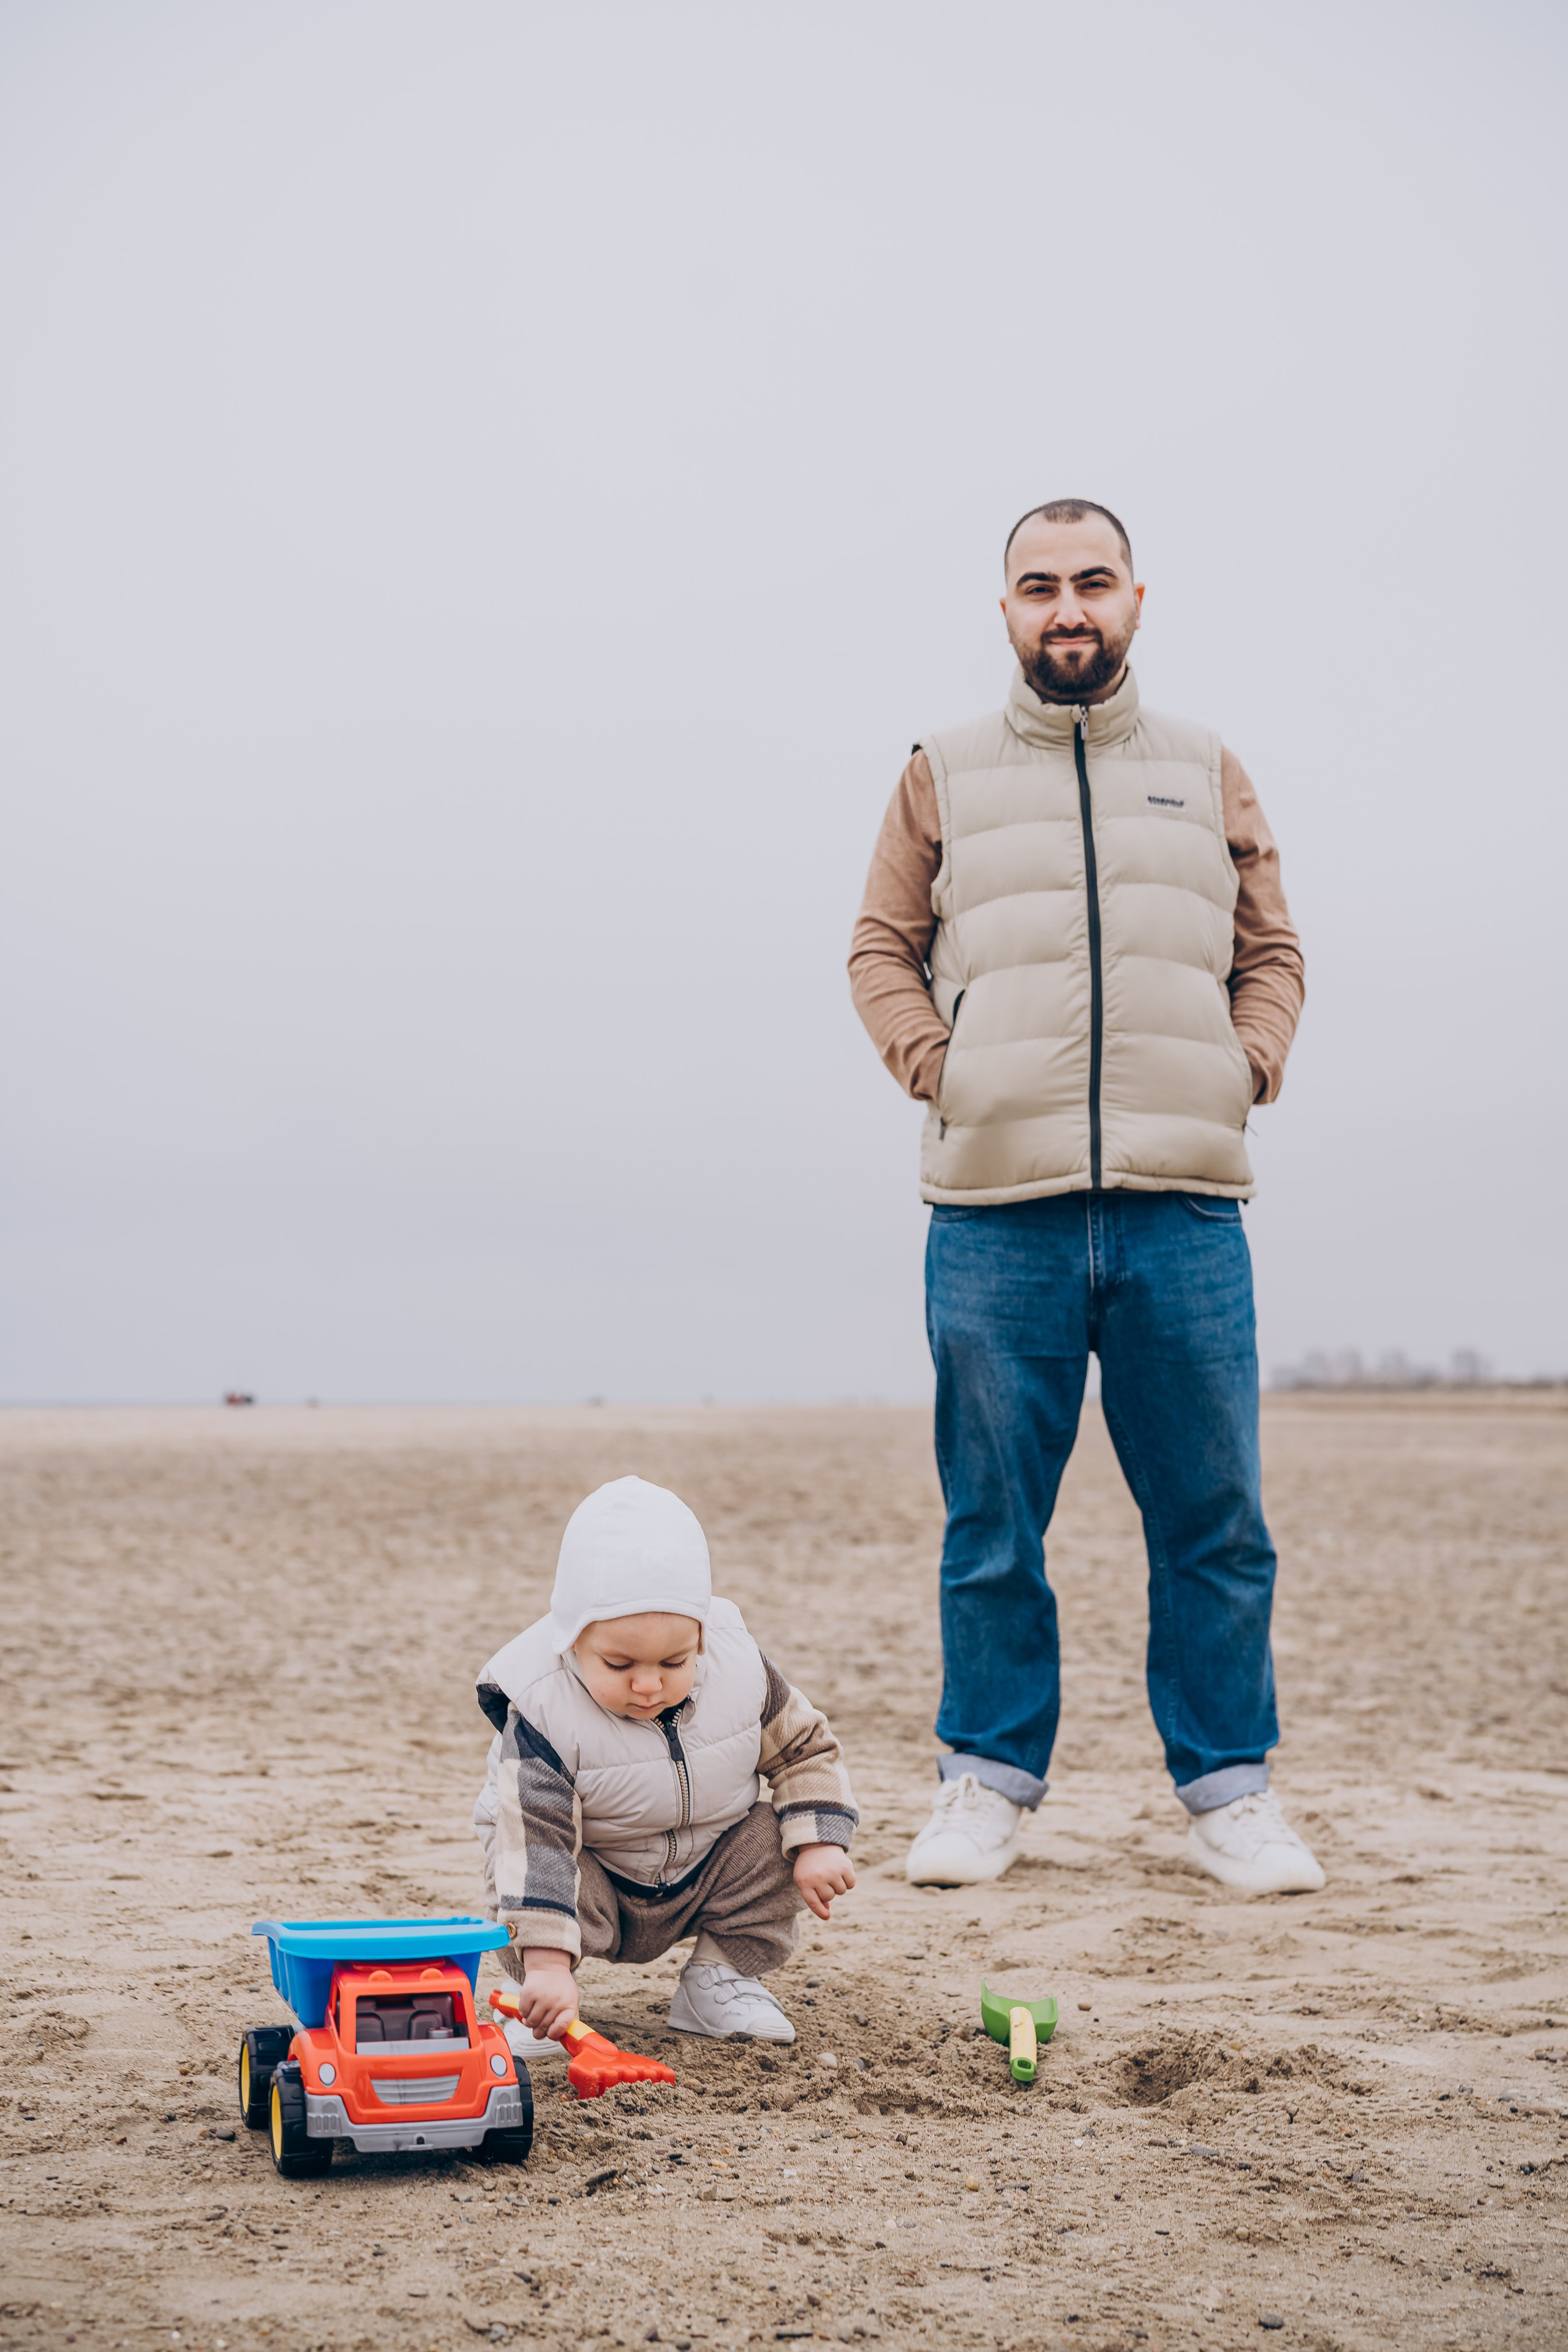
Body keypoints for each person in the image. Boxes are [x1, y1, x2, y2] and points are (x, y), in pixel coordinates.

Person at [848, 498, 1324, 1899]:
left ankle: (1228, 1790)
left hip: (1184, 1206)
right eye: (1038, 585)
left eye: (1092, 582)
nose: (1068, 607)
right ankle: (983, 1781)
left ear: (1132, 598)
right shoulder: (939, 768)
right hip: (995, 1207)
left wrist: (1247, 1064)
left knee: (1214, 1518)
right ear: (1004, 609)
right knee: (992, 1519)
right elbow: (878, 946)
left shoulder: (1203, 765)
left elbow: (1271, 947)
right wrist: (940, 1069)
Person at [472, 1474, 858, 2045]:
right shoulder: (543, 1710)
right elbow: (539, 1846)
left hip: (704, 1867)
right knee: (522, 1873)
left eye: (674, 1661)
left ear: (701, 1637)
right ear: (572, 1640)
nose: (649, 1684)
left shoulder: (740, 1669)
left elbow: (806, 1749)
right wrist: (548, 1966)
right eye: (620, 1664)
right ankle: (542, 2004)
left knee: (780, 1832)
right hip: (591, 1877)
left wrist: (821, 1842)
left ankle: (718, 1980)